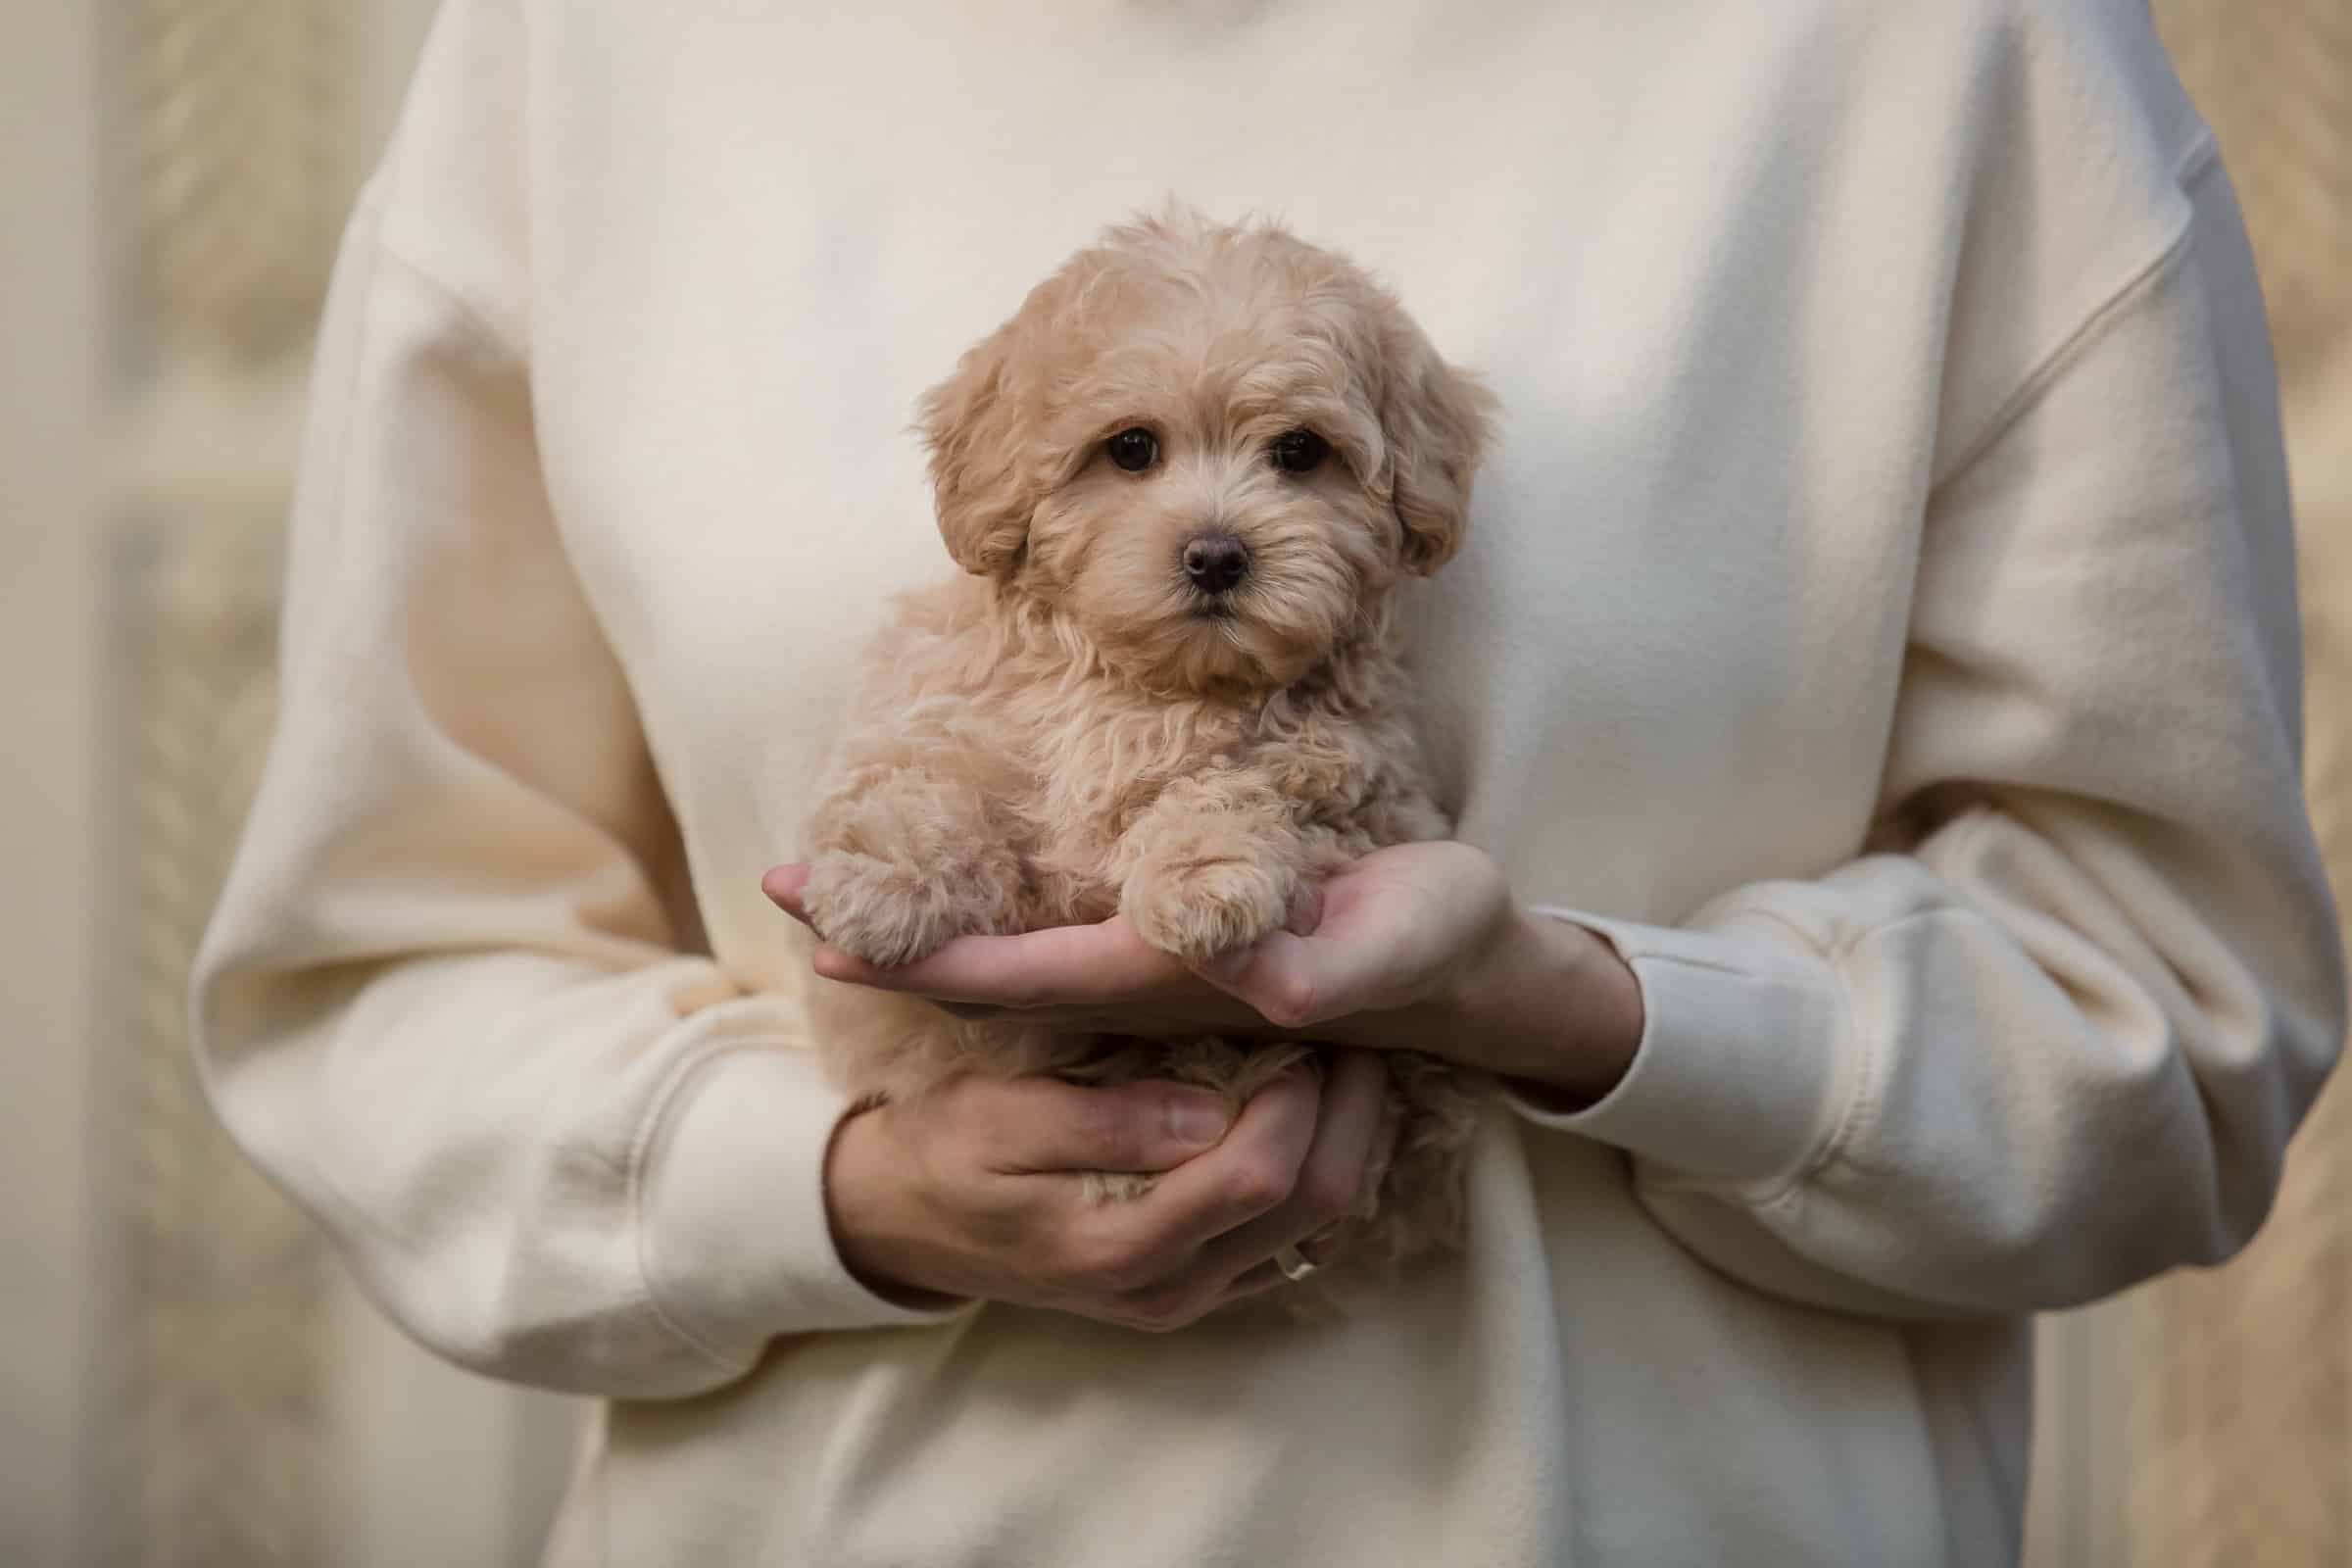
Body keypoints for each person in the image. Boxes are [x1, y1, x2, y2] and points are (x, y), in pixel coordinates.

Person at [191, 0, 2347, 1561]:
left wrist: (1595, 1012)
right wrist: (841, 1187)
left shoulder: (1951, 55)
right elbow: (379, 988)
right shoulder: (583, 58)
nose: (1208, 513)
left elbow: (2173, 1014)